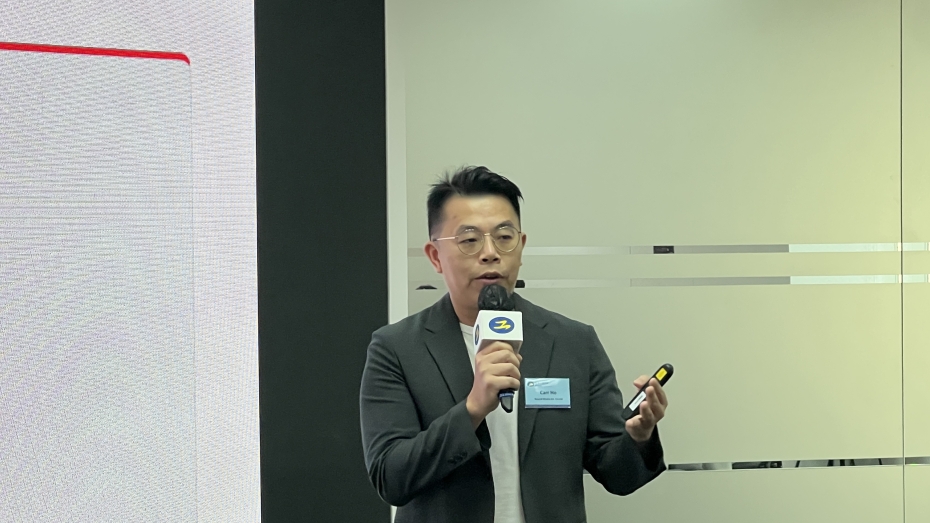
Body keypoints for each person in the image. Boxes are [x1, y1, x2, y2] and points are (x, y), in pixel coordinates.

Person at [360, 166, 668, 523]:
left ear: (520, 247)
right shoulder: (396, 349)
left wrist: (639, 436)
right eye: (470, 240)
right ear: (435, 256)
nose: (490, 253)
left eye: (504, 237)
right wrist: (472, 409)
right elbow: (390, 477)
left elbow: (619, 476)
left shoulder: (573, 342)